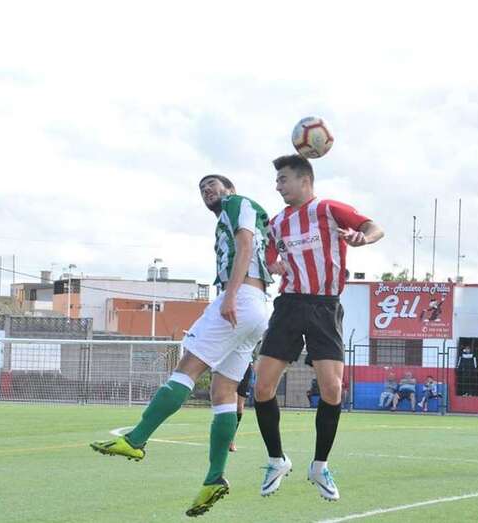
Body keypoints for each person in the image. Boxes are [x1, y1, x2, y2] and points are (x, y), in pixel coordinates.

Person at [90, 174, 272, 517]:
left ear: (229, 190)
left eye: (213, 185)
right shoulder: (233, 218)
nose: (207, 191)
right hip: (257, 305)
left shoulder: (237, 204)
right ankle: (214, 477)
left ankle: (136, 439)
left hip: (241, 299)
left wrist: (230, 296)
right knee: (223, 392)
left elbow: (246, 246)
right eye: (202, 188)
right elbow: (268, 256)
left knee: (187, 369)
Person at [253, 154, 384, 501]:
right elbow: (268, 256)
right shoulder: (277, 222)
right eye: (277, 180)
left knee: (332, 390)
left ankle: (319, 466)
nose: (278, 186)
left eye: (283, 179)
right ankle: (276, 460)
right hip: (290, 305)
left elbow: (375, 227)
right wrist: (276, 266)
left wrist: (362, 238)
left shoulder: (327, 209)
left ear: (304, 181)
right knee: (262, 387)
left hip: (325, 307)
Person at [229, 363, 254, 452]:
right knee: (231, 404)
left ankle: (231, 439)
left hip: (245, 368)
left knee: (239, 407)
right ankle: (224, 438)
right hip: (231, 365)